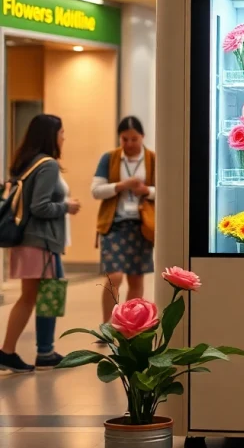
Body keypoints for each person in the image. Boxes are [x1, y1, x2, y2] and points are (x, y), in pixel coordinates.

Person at [0, 114, 81, 373]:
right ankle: (10, 351)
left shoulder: (26, 163)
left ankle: (43, 350)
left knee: (47, 294)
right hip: (41, 241)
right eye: (61, 132)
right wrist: (67, 206)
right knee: (32, 296)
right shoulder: (48, 165)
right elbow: (40, 206)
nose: (64, 137)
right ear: (51, 135)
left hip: (34, 241)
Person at [92, 116, 156, 325]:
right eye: (124, 139)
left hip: (143, 226)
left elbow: (165, 192)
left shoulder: (152, 159)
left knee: (136, 278)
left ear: (142, 137)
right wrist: (121, 186)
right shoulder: (109, 159)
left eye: (133, 139)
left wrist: (146, 191)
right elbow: (96, 191)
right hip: (114, 225)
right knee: (115, 276)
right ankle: (107, 325)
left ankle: (128, 326)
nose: (129, 144)